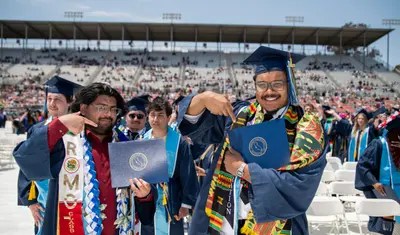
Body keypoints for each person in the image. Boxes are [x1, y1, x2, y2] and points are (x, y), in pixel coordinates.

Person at [176, 46, 327, 235]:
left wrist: (243, 170)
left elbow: (299, 184)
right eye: (262, 84)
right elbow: (196, 129)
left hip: (275, 226)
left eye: (277, 84)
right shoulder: (240, 114)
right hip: (223, 224)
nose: (269, 91)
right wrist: (202, 99)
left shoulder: (306, 128)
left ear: (290, 84)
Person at [14, 83, 155, 235]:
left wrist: (145, 196)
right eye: (101, 107)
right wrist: (59, 125)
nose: (108, 113)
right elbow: (26, 158)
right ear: (83, 109)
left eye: (113, 109)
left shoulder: (126, 146)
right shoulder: (64, 142)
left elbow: (146, 211)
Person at [16, 76, 82, 235]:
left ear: (70, 101)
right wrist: (30, 201)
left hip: (74, 198)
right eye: (49, 98)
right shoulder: (38, 130)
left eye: (58, 99)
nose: (52, 103)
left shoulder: (80, 129)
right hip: (45, 200)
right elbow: (26, 166)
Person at [141, 97, 199, 235]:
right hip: (148, 198)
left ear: (168, 117)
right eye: (152, 115)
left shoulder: (180, 143)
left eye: (160, 115)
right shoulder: (143, 140)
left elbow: (188, 174)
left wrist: (185, 204)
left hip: (172, 198)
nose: (155, 119)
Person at [355, 112, 400, 234]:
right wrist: (374, 183)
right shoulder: (379, 144)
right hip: (386, 190)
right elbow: (363, 165)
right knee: (386, 226)